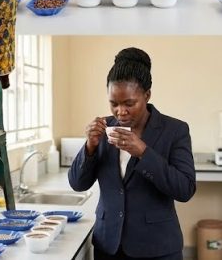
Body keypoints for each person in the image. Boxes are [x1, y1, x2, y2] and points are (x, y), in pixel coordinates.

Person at [68, 48, 195, 260]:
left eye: (129, 103)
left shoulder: (175, 130)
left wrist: (144, 153)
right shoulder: (103, 129)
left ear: (147, 95)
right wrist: (90, 146)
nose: (120, 112)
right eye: (113, 103)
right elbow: (77, 184)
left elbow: (185, 189)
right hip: (108, 246)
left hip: (158, 248)